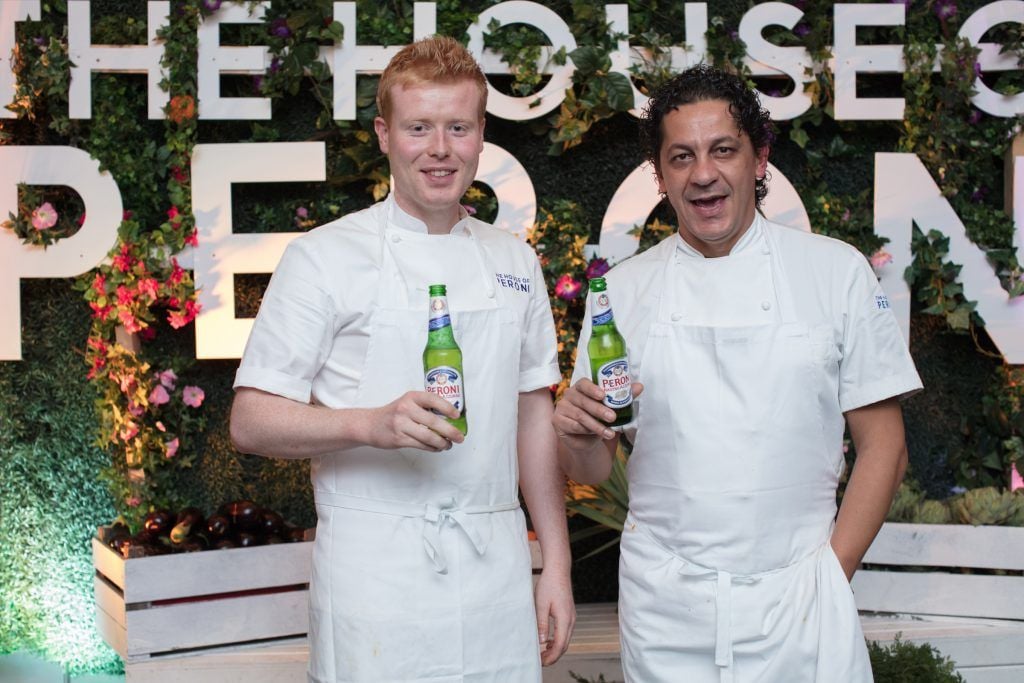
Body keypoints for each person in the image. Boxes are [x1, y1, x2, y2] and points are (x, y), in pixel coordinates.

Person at [553, 64, 922, 682]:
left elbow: (886, 446)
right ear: (661, 175)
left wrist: (832, 575)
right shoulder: (622, 292)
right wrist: (577, 437)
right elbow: (593, 469)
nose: (703, 174)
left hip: (803, 597)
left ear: (759, 159)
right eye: (681, 157)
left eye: (723, 149)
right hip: (666, 604)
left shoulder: (836, 272)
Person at [230, 36, 574, 683]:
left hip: (495, 574)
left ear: (481, 135)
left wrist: (555, 562)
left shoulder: (515, 262)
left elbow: (534, 420)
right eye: (419, 127)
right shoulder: (324, 257)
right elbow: (250, 420)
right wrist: (369, 424)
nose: (440, 149)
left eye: (458, 127)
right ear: (385, 134)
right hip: (374, 584)